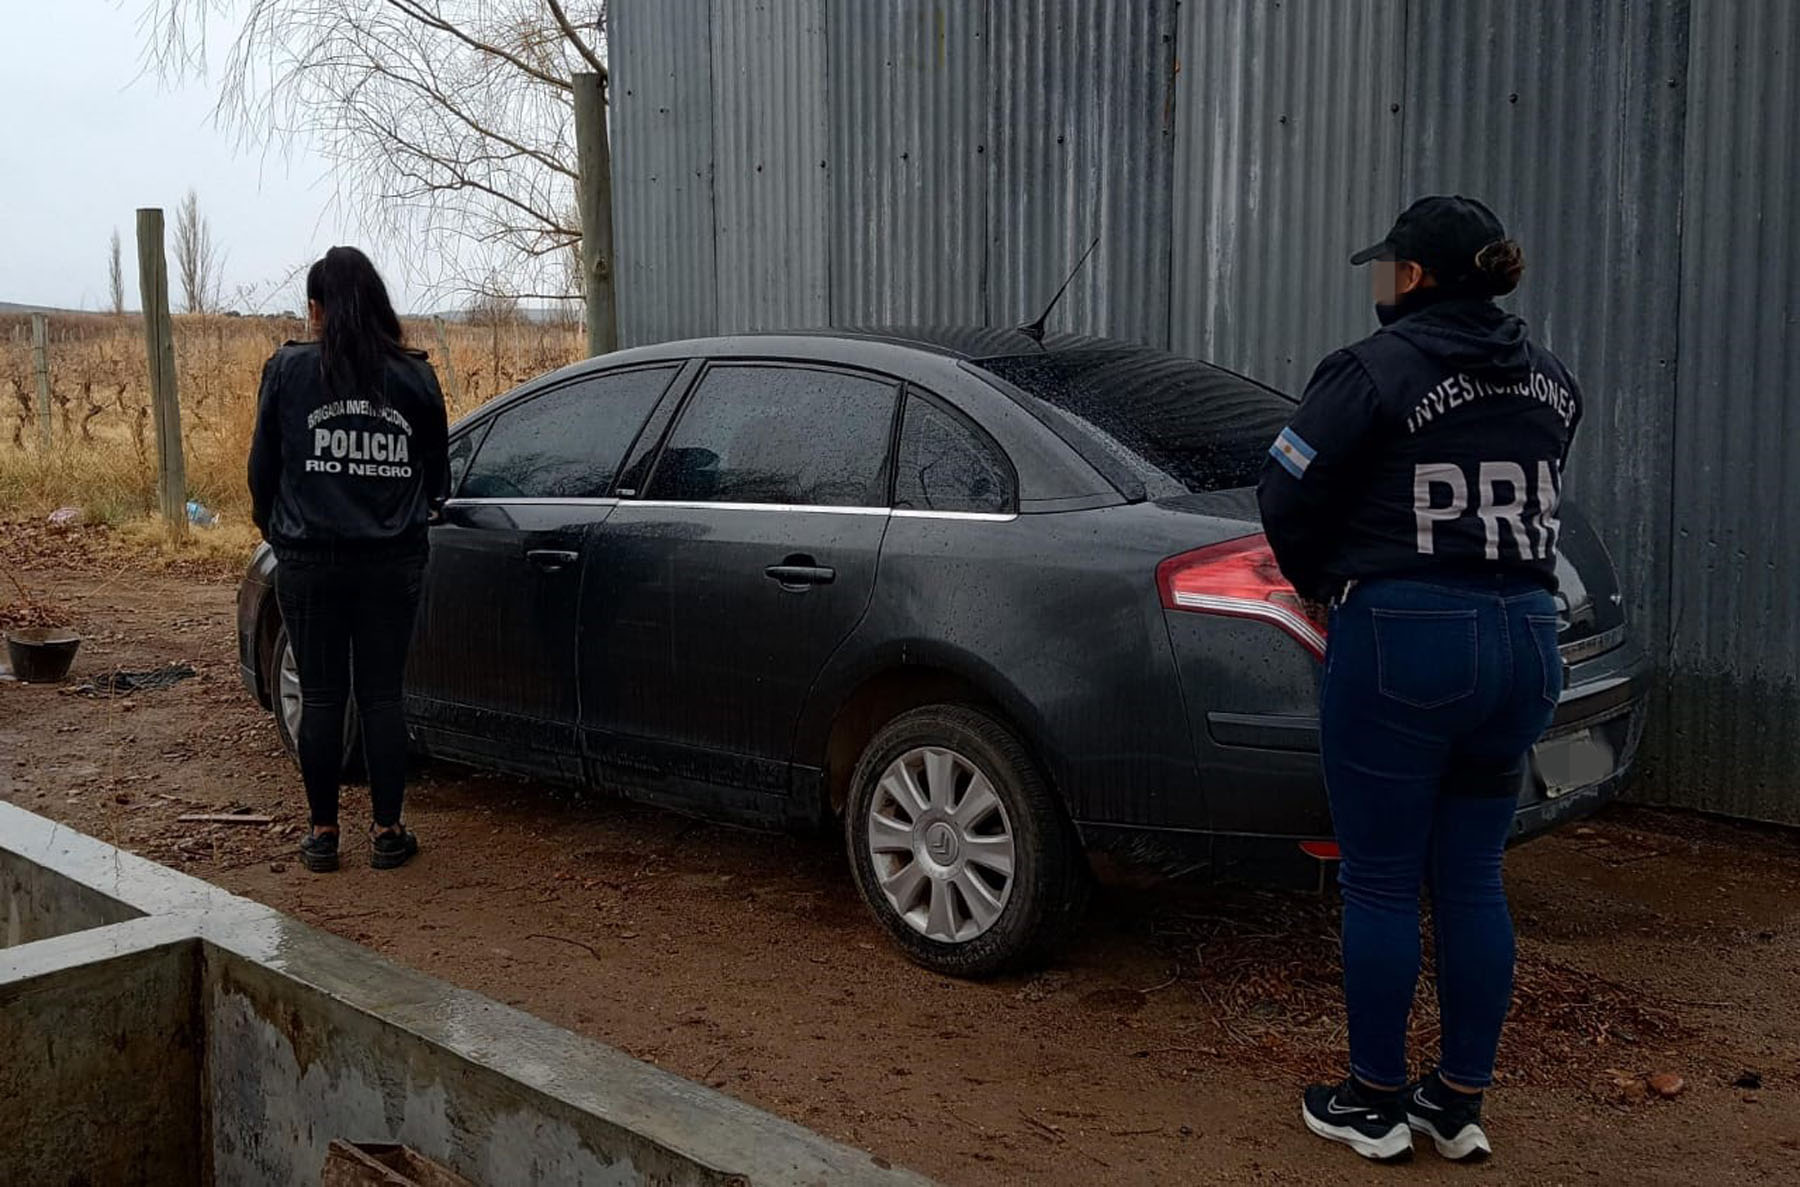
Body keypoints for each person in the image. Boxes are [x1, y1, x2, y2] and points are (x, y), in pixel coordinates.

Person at [1258, 197, 1582, 1164]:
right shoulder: (1552, 381)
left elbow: (1286, 489)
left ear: (1415, 277)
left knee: (1383, 880)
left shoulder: (1373, 371)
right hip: (1526, 634)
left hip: (1405, 632)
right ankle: (1459, 1097)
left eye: (1385, 266)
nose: (1376, 281)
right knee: (1475, 873)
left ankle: (1373, 1098)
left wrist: (1322, 585)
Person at [249, 246, 449, 874]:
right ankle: (388, 833)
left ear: (318, 309)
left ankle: (322, 835)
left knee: (324, 693)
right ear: (378, 306)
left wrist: (279, 532)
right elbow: (437, 479)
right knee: (383, 697)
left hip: (310, 560)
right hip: (392, 561)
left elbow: (262, 474)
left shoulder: (287, 371)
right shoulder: (415, 377)